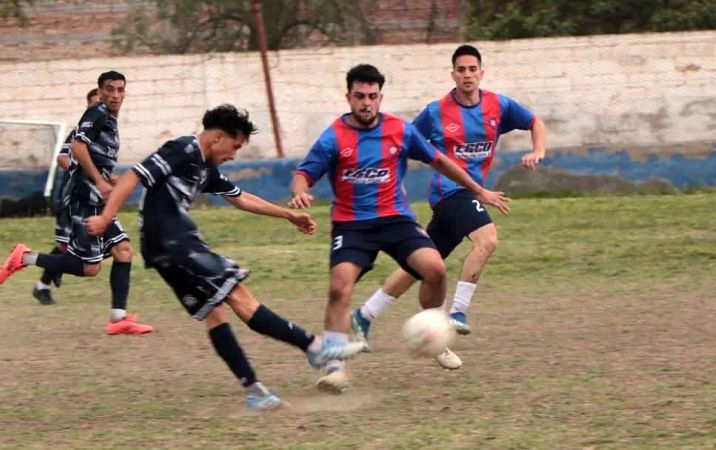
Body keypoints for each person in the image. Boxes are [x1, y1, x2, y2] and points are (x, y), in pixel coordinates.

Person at [83, 104, 366, 410]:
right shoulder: (183, 148)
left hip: (164, 248)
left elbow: (241, 198)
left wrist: (287, 215)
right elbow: (131, 178)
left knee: (213, 312)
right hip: (175, 243)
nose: (234, 155)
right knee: (238, 294)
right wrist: (106, 217)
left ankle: (256, 391)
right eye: (235, 146)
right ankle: (313, 347)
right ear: (217, 137)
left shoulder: (206, 167)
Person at [288, 64, 510, 393]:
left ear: (381, 97)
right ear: (348, 97)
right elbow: (303, 173)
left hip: (395, 219)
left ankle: (436, 333)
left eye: (373, 96)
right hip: (352, 225)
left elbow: (440, 161)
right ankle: (335, 369)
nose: (366, 103)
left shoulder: (399, 130)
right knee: (339, 288)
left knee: (434, 268)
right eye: (360, 96)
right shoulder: (334, 136)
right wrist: (300, 191)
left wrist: (477, 190)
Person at [351, 44, 547, 357]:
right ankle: (457, 312)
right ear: (452, 74)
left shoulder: (499, 105)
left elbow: (535, 122)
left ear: (481, 73)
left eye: (473, 69)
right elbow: (402, 144)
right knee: (488, 240)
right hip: (449, 192)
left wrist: (538, 150)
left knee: (422, 265)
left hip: (467, 194)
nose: (467, 75)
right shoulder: (436, 111)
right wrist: (394, 182)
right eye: (461, 69)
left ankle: (365, 314)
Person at [0, 71, 153, 335]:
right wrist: (99, 181)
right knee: (90, 267)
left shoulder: (108, 119)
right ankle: (24, 257)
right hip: (86, 200)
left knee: (123, 251)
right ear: (100, 91)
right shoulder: (98, 113)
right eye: (110, 89)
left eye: (120, 90)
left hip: (97, 200)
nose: (116, 95)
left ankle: (118, 319)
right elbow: (77, 147)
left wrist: (106, 179)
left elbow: (90, 153)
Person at [32, 88, 100, 305]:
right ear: (88, 107)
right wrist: (80, 170)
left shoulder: (104, 132)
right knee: (64, 247)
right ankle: (43, 282)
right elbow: (62, 157)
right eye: (95, 104)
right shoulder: (80, 131)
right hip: (71, 198)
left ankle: (47, 278)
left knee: (70, 249)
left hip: (89, 201)